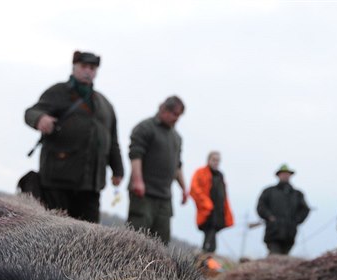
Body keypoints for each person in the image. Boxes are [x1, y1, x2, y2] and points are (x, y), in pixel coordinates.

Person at [24, 51, 124, 223]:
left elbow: (112, 141)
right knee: (53, 231)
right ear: (74, 67)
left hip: (91, 185)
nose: (87, 71)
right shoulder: (58, 92)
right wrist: (40, 119)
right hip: (57, 180)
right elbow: (31, 112)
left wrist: (118, 170)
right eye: (83, 66)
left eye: (92, 68)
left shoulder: (105, 104)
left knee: (88, 236)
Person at [127, 96, 187, 244]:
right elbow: (135, 154)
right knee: (136, 238)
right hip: (144, 194)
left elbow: (177, 165)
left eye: (179, 116)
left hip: (165, 197)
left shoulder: (176, 138)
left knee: (161, 242)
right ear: (163, 109)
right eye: (174, 114)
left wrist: (184, 188)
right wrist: (137, 181)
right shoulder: (145, 127)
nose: (176, 118)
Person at [256, 164, 310, 255]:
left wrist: (296, 220)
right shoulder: (269, 191)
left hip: (290, 233)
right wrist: (270, 217)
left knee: (285, 257)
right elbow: (261, 207)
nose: (285, 176)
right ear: (278, 175)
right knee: (275, 256)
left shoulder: (297, 194)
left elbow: (305, 209)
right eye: (283, 174)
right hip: (273, 232)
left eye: (287, 174)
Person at [190, 151, 234, 253]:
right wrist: (206, 204)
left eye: (218, 160)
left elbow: (224, 196)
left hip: (218, 213)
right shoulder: (200, 172)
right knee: (209, 235)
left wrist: (227, 212)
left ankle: (208, 258)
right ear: (208, 160)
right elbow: (194, 189)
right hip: (207, 212)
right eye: (214, 160)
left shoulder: (220, 176)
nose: (216, 162)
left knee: (212, 235)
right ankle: (205, 258)